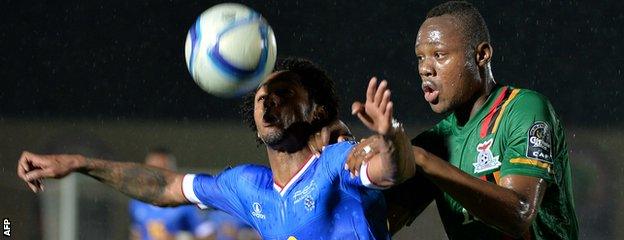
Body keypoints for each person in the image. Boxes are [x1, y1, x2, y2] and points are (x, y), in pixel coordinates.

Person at [17, 58, 415, 239]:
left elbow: (391, 170)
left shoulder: (334, 163)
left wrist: (390, 133)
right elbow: (164, 188)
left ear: (314, 112)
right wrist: (79, 163)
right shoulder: (247, 187)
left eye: (283, 93)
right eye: (262, 96)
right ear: (257, 127)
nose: (268, 101)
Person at [348, 1, 578, 239]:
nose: (425, 69)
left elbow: (518, 214)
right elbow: (374, 227)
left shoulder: (523, 109)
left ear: (481, 55)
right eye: (420, 58)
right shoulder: (436, 141)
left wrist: (418, 157)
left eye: (439, 54)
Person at [129, 147, 213, 240]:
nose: (155, 174)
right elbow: (136, 233)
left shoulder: (184, 201)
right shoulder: (138, 202)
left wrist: (177, 238)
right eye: (151, 168)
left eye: (160, 169)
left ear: (171, 170)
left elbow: (208, 236)